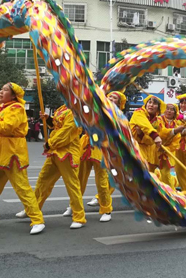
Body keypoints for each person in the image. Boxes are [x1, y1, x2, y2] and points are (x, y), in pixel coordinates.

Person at [0, 83, 45, 235]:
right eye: (1, 89)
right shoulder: (2, 109)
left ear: (13, 96)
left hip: (12, 153)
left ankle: (37, 219)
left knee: (22, 188)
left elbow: (7, 127)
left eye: (5, 90)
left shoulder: (17, 109)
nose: (0, 92)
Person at [23, 104, 86, 229]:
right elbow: (58, 126)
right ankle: (33, 209)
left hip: (67, 152)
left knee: (72, 184)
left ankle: (79, 216)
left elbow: (66, 132)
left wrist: (50, 143)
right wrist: (49, 119)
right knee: (43, 181)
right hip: (55, 151)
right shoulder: (62, 108)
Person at [78, 91, 126, 220]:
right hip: (86, 145)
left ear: (119, 103)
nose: (110, 98)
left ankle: (106, 209)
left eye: (114, 98)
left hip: (102, 147)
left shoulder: (118, 116)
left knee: (102, 180)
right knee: (79, 178)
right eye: (109, 96)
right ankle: (75, 205)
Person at [130, 95, 170, 183]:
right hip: (136, 148)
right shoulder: (139, 113)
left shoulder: (158, 121)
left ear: (158, 108)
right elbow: (145, 125)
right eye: (149, 102)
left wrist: (142, 134)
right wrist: (154, 135)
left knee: (148, 179)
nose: (151, 105)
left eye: (154, 104)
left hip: (151, 153)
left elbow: (151, 141)